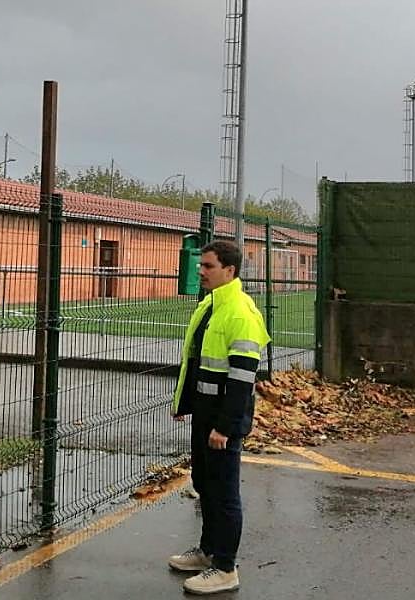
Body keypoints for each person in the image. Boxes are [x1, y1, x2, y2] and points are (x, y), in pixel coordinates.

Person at [168, 239, 270, 595]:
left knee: (224, 492)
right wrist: (185, 403)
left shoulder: (240, 313)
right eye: (201, 265)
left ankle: (225, 567)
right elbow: (196, 360)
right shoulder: (211, 305)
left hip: (222, 421)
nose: (201, 271)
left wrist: (225, 427)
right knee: (205, 484)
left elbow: (242, 380)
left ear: (230, 270)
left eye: (208, 266)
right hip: (205, 413)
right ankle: (207, 552)